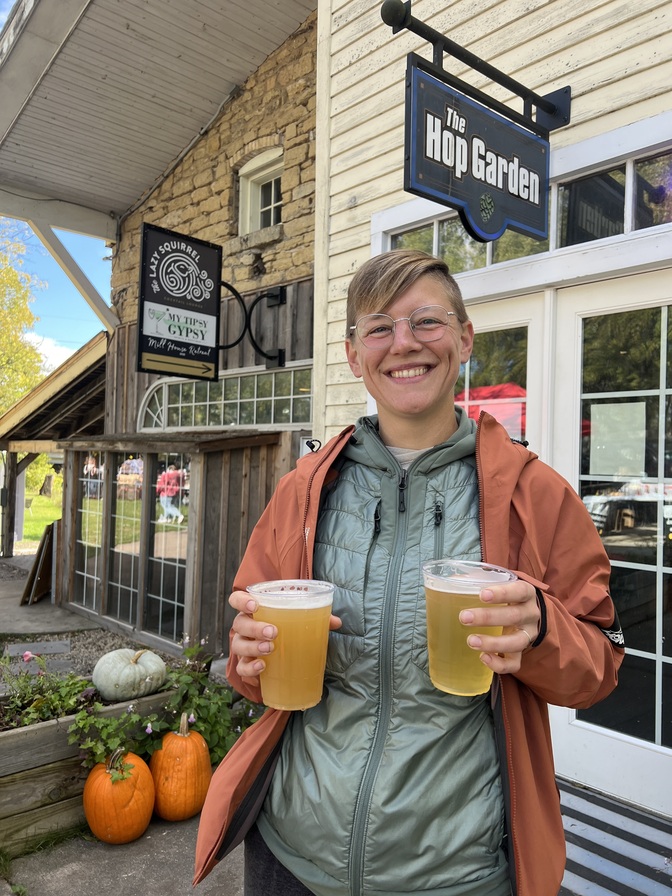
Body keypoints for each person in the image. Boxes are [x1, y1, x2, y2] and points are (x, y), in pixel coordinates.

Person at [226, 249, 625, 896]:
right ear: (354, 356)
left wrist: (543, 627)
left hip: (456, 872)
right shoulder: (304, 490)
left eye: (427, 322)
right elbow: (251, 658)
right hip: (290, 855)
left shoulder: (536, 494)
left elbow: (602, 664)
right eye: (378, 327)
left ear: (464, 340)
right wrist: (246, 659)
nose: (403, 343)